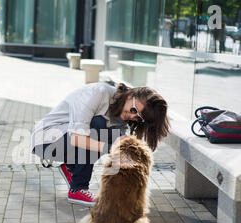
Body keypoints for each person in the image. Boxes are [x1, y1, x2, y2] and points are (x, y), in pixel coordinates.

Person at [31, 82, 170, 207]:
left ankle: (71, 168)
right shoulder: (98, 92)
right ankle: (78, 188)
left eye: (138, 117)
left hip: (65, 142)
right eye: (134, 110)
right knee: (99, 127)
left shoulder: (122, 112)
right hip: (47, 140)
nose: (132, 116)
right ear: (131, 95)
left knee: (119, 138)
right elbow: (76, 138)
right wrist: (111, 147)